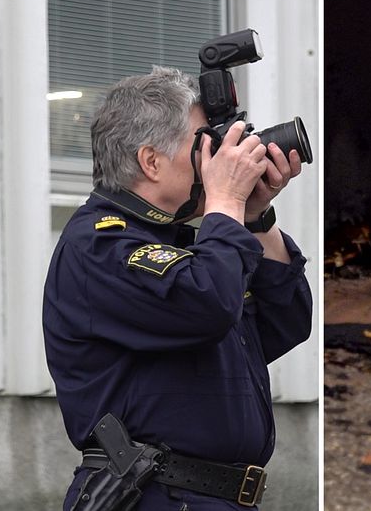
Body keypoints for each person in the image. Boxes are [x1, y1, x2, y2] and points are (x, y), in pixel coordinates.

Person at [43, 66, 313, 510]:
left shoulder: (183, 246)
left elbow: (287, 323)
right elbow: (208, 303)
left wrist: (255, 216)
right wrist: (225, 201)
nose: (218, 158)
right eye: (203, 144)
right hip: (153, 494)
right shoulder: (99, 245)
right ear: (151, 161)